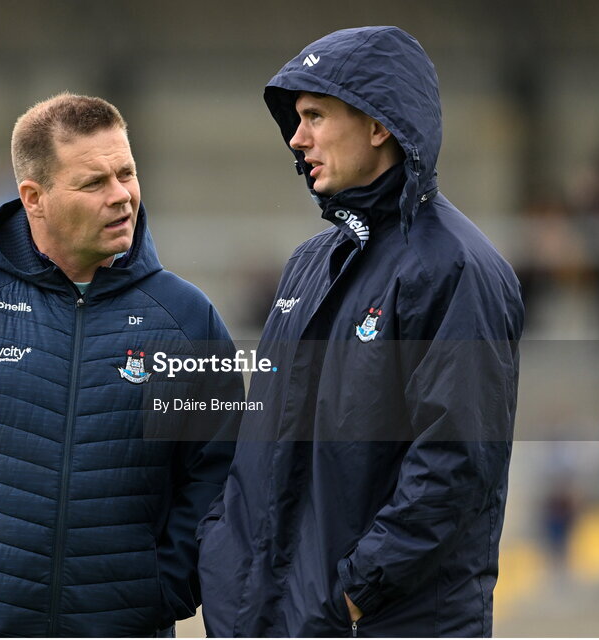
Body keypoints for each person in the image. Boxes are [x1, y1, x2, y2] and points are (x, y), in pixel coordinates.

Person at [0, 93, 242, 637]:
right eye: (93, 183)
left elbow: (220, 468)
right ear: (33, 197)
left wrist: (167, 585)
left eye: (126, 173)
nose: (121, 197)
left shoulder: (185, 317)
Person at [197, 27, 524, 637]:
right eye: (296, 119)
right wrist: (227, 562)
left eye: (316, 115)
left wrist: (350, 597)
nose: (297, 139)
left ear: (380, 125)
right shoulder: (308, 263)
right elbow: (259, 442)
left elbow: (453, 467)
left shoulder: (457, 270)